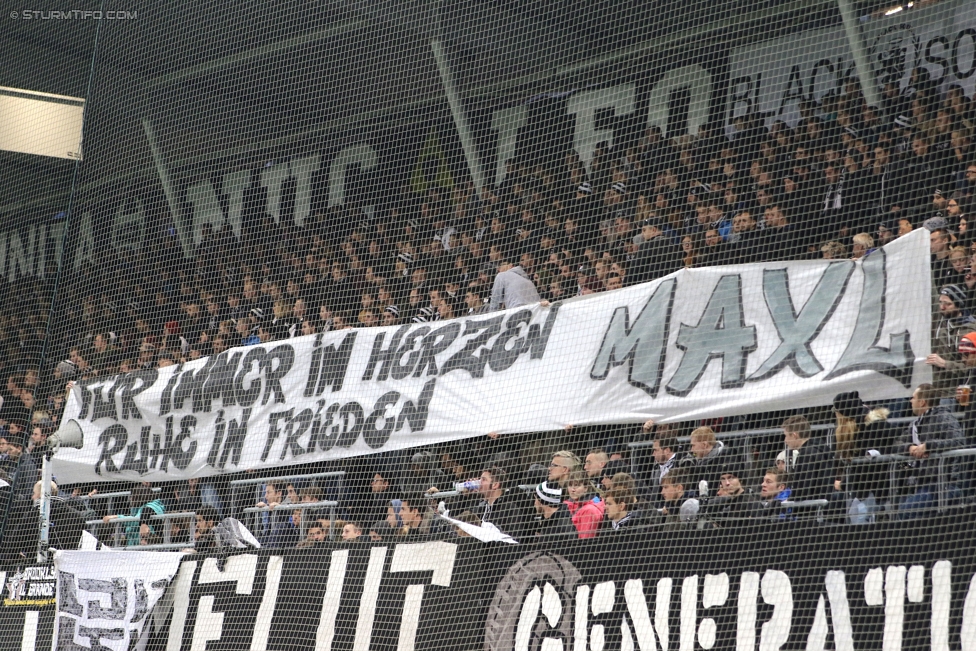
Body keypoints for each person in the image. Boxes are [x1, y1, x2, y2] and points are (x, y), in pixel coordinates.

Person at [895, 383, 965, 518]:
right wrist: (909, 448)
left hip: (944, 485)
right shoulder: (915, 424)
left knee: (905, 511)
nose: (910, 401)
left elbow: (959, 441)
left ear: (922, 402)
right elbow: (895, 444)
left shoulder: (943, 417)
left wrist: (928, 446)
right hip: (921, 484)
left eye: (913, 397)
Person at [927, 285, 976, 399]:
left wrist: (945, 364)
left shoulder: (970, 331)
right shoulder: (941, 322)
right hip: (935, 390)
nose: (942, 307)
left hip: (954, 393)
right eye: (941, 303)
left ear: (959, 305)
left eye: (948, 304)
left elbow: (971, 369)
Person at [781, 416, 834, 501]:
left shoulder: (806, 454)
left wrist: (790, 502)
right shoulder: (821, 449)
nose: (785, 440)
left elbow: (802, 491)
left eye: (786, 436)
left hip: (811, 508)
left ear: (795, 435)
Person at [474, 467, 530, 540]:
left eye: (483, 479)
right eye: (480, 479)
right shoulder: (482, 508)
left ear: (495, 485)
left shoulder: (509, 509)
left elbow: (514, 538)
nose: (479, 482)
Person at [679, 426, 726, 497]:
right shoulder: (697, 463)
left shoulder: (723, 460)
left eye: (693, 445)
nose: (691, 450)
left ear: (704, 445)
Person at [564, 471, 604, 539]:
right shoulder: (567, 505)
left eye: (576, 485)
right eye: (570, 485)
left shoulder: (589, 510)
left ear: (586, 488)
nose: (572, 489)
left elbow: (585, 542)